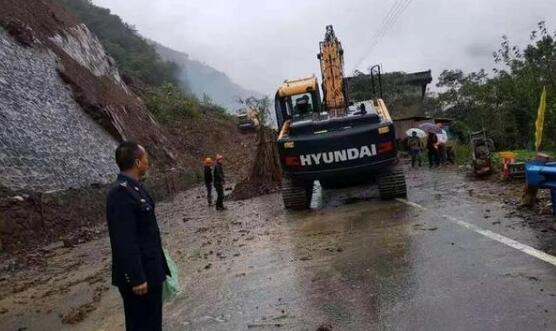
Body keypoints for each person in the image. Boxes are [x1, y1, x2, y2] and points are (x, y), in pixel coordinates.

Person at [106, 141, 170, 331]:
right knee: (141, 325)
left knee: (153, 322)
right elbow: (124, 240)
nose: (148, 162)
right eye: (145, 159)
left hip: (150, 270)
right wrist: (136, 277)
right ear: (137, 162)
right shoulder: (120, 193)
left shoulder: (136, 188)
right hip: (140, 277)